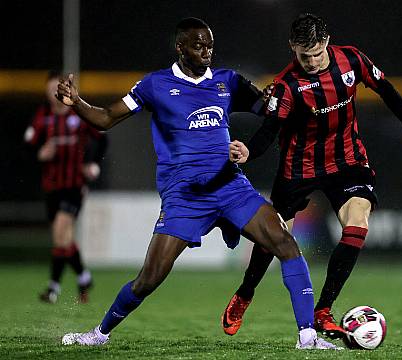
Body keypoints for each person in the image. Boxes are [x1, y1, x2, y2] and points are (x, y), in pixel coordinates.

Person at [58, 17, 339, 350]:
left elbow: (269, 110)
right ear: (180, 48)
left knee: (286, 244)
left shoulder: (228, 81)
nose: (207, 51)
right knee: (150, 278)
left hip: (230, 186)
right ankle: (99, 334)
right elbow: (106, 118)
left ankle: (307, 337)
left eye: (210, 45)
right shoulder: (155, 85)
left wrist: (278, 96)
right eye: (198, 45)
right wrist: (77, 103)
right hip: (185, 195)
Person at [223, 13, 402, 339]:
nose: (312, 61)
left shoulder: (352, 60)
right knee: (275, 238)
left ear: (327, 42)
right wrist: (250, 151)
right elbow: (269, 130)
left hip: (347, 162)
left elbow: (386, 90)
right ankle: (246, 292)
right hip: (298, 168)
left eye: (318, 53)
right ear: (293, 47)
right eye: (304, 56)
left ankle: (323, 311)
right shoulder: (286, 85)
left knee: (358, 223)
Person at [24, 70, 107, 304]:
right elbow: (28, 147)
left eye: (57, 87)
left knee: (61, 230)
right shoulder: (42, 116)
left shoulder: (77, 113)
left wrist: (92, 163)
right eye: (50, 88)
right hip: (51, 186)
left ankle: (53, 288)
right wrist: (40, 153)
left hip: (74, 185)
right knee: (63, 239)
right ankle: (83, 276)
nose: (54, 92)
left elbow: (102, 137)